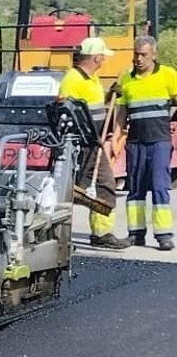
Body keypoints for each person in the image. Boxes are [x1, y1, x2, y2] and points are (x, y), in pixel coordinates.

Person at [58, 36, 128, 248]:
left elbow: (94, 107)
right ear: (96, 57)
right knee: (75, 189)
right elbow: (65, 109)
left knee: (104, 185)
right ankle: (60, 234)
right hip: (81, 145)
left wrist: (109, 96)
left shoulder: (93, 79)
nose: (104, 61)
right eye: (102, 57)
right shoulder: (73, 79)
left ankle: (101, 233)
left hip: (93, 143)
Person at [116, 35, 177, 251]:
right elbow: (122, 111)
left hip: (159, 141)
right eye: (136, 54)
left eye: (143, 54)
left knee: (160, 187)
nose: (138, 59)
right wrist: (116, 136)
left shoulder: (168, 75)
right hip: (135, 142)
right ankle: (135, 234)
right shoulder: (127, 80)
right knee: (135, 190)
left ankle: (163, 236)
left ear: (154, 54)